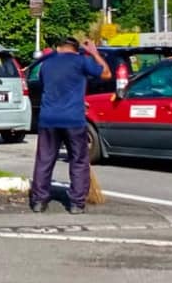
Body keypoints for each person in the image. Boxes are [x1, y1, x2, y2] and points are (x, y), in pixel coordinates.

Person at [30, 37, 111, 214]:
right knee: (78, 160)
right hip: (73, 119)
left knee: (44, 160)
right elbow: (106, 74)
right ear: (76, 49)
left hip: (48, 119)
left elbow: (47, 86)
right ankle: (76, 203)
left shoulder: (47, 65)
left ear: (59, 48)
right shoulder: (81, 61)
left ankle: (39, 201)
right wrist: (94, 53)